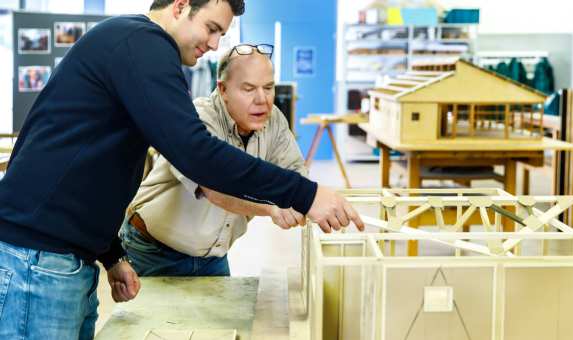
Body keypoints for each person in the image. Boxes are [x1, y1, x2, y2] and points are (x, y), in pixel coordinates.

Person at [0, 0, 364, 339]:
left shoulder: (132, 46)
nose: (215, 43)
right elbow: (198, 154)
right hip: (38, 261)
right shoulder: (144, 44)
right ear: (180, 6)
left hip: (64, 260)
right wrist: (306, 193)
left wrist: (110, 255)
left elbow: (91, 170)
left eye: (222, 34)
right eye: (211, 28)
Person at [122, 44, 309, 276]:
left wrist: (306, 199)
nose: (262, 99)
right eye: (249, 89)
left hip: (212, 255)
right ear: (223, 90)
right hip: (153, 250)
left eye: (268, 88)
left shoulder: (274, 121)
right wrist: (273, 208)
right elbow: (215, 188)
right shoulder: (196, 120)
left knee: (222, 313)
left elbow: (295, 172)